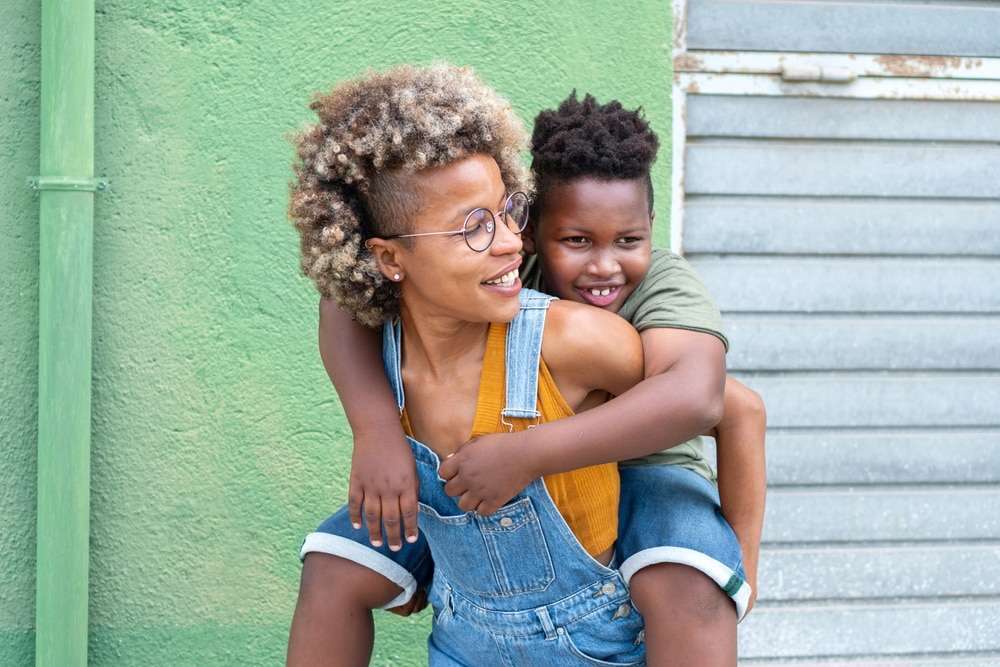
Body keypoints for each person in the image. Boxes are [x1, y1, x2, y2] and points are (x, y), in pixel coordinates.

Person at [310, 89, 766, 664]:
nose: (604, 265)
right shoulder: (504, 266)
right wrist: (374, 430)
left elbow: (715, 403)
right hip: (506, 487)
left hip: (648, 463)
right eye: (575, 240)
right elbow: (341, 297)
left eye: (628, 240)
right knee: (335, 559)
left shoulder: (657, 288)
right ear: (536, 229)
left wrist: (741, 564)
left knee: (688, 583)